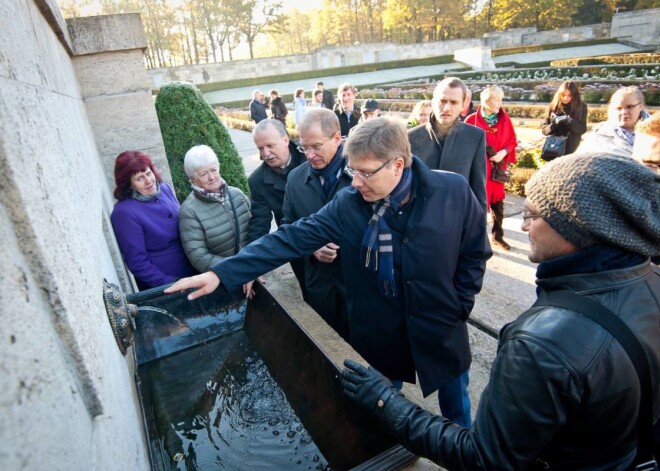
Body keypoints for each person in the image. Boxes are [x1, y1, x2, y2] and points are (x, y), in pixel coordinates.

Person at [165, 117, 492, 429]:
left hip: (442, 326)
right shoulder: (349, 204)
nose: (356, 181)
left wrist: (459, 304)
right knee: (381, 409)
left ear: (396, 164)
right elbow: (289, 238)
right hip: (383, 332)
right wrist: (221, 274)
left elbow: (475, 252)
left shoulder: (453, 191)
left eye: (365, 173)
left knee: (457, 412)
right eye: (353, 171)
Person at [341, 152, 660, 470]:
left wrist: (385, 402)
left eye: (532, 215)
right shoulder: (651, 281)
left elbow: (483, 459)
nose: (522, 226)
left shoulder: (541, 345)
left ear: (575, 227)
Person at [278, 108, 352, 339]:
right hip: (321, 286)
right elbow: (287, 227)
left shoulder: (362, 172)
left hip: (359, 286)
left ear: (337, 138)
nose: (309, 155)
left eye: (316, 146)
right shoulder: (295, 179)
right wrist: (311, 248)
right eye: (304, 147)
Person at [110, 151, 197, 290]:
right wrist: (169, 283)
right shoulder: (124, 213)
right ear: (128, 184)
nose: (148, 181)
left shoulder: (164, 188)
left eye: (148, 173)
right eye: (139, 178)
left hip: (196, 269)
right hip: (170, 285)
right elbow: (137, 262)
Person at [249, 119, 309, 300]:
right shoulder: (257, 180)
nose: (265, 153)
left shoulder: (311, 156)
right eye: (260, 148)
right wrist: (251, 264)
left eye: (270, 145)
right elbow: (259, 223)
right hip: (298, 249)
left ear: (285, 140)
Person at [408, 77, 487, 212]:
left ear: (463, 105)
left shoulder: (475, 137)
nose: (446, 108)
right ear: (433, 102)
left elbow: (478, 190)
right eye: (442, 101)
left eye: (454, 102)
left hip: (458, 220)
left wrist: (479, 230)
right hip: (419, 220)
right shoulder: (411, 137)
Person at [178, 145, 251, 277]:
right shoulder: (189, 211)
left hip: (256, 266)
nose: (211, 177)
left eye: (214, 170)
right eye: (204, 174)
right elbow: (199, 257)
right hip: (229, 276)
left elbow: (257, 228)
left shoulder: (237, 194)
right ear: (192, 179)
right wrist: (238, 268)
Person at [465, 85, 517, 251]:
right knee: (478, 205)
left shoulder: (505, 119)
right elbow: (463, 146)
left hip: (497, 169)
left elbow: (512, 140)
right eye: (496, 100)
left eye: (501, 99)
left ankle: (498, 236)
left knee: (498, 205)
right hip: (479, 170)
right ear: (486, 101)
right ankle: (477, 239)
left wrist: (503, 152)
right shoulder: (471, 120)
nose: (500, 103)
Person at [578, 86, 650, 157]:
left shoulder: (656, 133)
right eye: (619, 108)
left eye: (629, 107)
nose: (624, 112)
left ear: (641, 106)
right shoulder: (597, 138)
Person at [541, 81, 588, 156]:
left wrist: (569, 122)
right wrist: (553, 125)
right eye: (563, 95)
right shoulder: (552, 106)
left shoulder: (581, 107)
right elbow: (544, 131)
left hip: (572, 148)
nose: (566, 98)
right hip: (554, 148)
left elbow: (582, 129)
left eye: (569, 95)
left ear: (574, 95)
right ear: (559, 94)